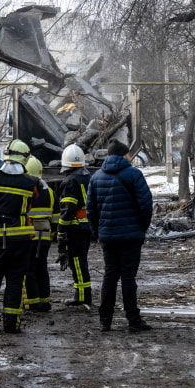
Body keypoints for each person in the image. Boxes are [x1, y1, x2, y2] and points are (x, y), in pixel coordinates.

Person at [87, 139, 153, 333]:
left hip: (107, 237)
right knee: (128, 278)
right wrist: (142, 228)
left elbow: (90, 209)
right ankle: (133, 320)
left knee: (110, 276)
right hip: (131, 237)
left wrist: (97, 232)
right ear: (124, 155)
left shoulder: (96, 177)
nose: (130, 157)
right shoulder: (134, 174)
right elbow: (146, 205)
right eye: (129, 154)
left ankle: (105, 321)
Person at [0, 139, 39, 333]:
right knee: (15, 280)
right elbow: (32, 203)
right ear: (24, 159)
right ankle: (11, 324)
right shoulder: (30, 182)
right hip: (20, 239)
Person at [56, 144, 93, 307]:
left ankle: (83, 297)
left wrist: (60, 231)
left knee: (77, 262)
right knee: (80, 261)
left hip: (76, 228)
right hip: (86, 228)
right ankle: (81, 294)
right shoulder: (88, 177)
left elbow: (67, 211)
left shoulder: (70, 181)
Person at [24, 156, 58, 312]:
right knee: (42, 268)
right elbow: (56, 218)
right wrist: (50, 236)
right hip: (44, 237)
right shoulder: (50, 192)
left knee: (29, 269)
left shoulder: (24, 190)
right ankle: (45, 302)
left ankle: (33, 302)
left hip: (28, 236)